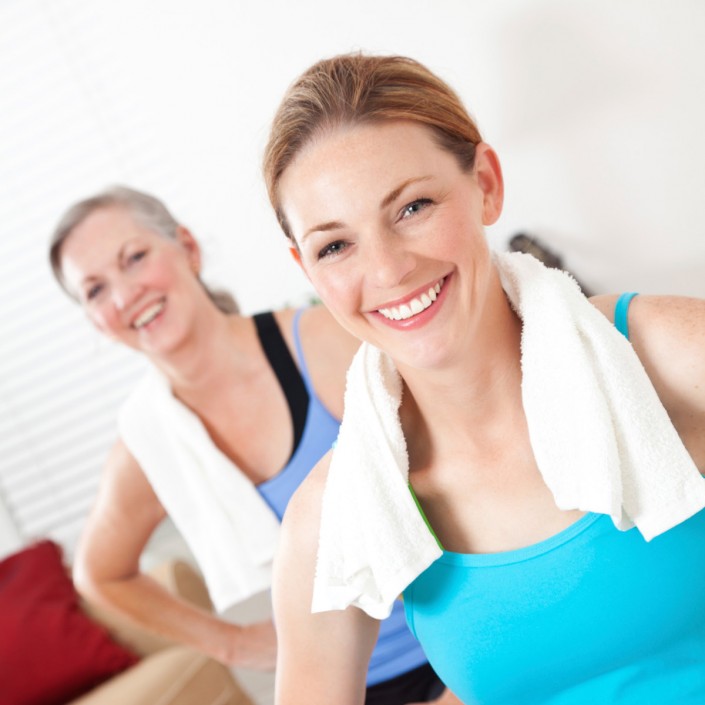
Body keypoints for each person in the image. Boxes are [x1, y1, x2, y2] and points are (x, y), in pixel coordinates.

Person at [262, 53, 705, 704]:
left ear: (485, 184)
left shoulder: (663, 353)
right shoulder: (333, 512)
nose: (386, 270)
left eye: (411, 206)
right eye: (335, 245)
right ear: (306, 269)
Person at [49, 185, 454, 704]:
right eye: (96, 291)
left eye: (135, 258)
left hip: (462, 648)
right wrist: (235, 644)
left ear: (187, 248)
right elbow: (98, 573)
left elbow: (473, 480)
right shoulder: (146, 446)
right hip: (341, 687)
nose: (125, 296)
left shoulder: (318, 345)